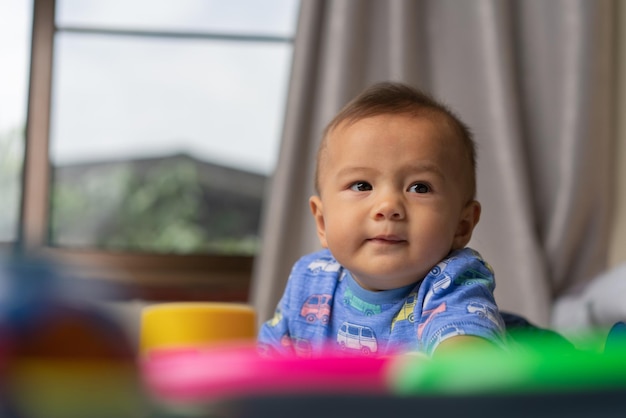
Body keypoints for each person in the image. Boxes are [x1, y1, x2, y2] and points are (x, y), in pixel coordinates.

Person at [258, 82, 507, 358]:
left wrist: (447, 366)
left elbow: (468, 358)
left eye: (419, 187)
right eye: (362, 185)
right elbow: (267, 362)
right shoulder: (310, 277)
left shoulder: (454, 279)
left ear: (462, 226)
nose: (388, 206)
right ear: (322, 222)